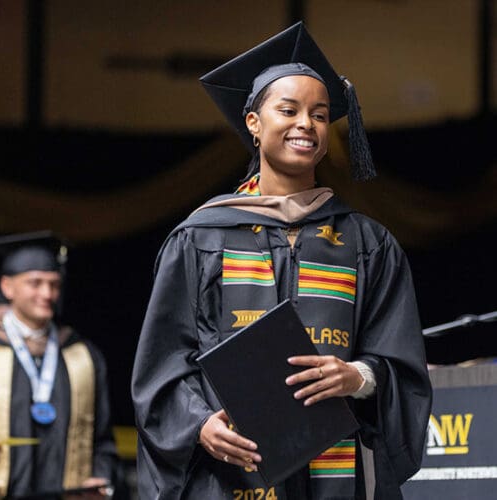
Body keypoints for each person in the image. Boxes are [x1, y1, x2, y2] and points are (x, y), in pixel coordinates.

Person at [132, 22, 432, 500]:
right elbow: (163, 365)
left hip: (333, 472)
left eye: (318, 114)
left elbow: (401, 364)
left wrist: (357, 377)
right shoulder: (201, 238)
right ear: (254, 122)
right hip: (229, 472)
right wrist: (200, 424)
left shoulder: (366, 243)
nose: (305, 125)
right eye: (288, 110)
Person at [0, 231, 118, 499]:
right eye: (35, 283)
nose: (47, 293)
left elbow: (102, 439)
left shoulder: (81, 354)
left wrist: (103, 475)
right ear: (7, 287)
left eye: (54, 284)